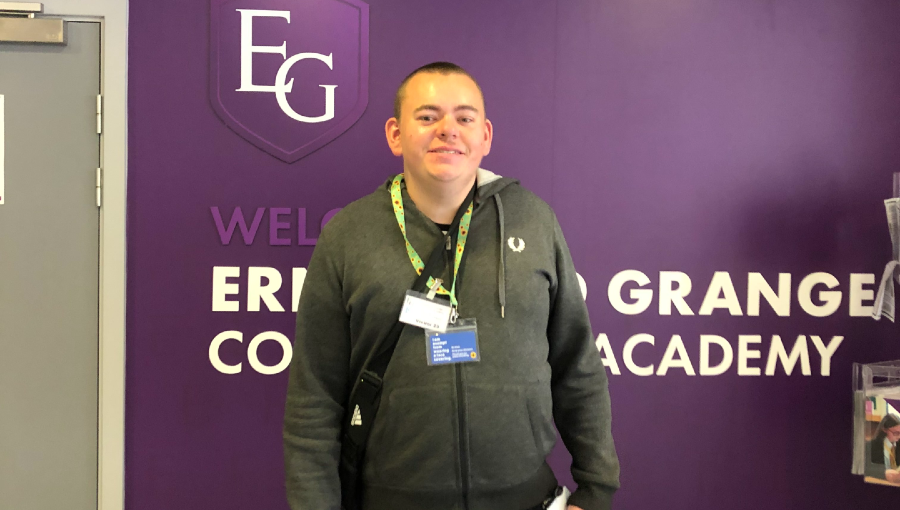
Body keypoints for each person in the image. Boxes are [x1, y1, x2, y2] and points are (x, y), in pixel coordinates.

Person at [284, 61, 620, 510]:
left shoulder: (534, 220)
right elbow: (314, 398)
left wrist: (596, 491)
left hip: (524, 498)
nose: (448, 129)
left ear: (485, 135)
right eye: (427, 117)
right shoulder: (347, 235)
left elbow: (577, 366)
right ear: (395, 134)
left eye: (465, 118)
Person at [866, 413, 900, 483]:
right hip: (882, 482)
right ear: (884, 429)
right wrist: (883, 473)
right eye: (896, 433)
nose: (899, 436)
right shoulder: (871, 446)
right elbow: (865, 468)